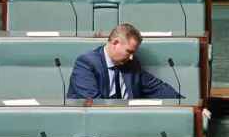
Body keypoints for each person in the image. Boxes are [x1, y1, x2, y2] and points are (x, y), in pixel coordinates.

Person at [67, 24, 211, 119]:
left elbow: (157, 87)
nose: (131, 57)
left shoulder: (131, 63)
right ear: (115, 43)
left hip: (127, 122)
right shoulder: (86, 63)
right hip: (94, 124)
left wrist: (193, 109)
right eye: (128, 51)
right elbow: (95, 105)